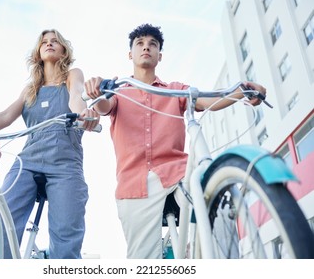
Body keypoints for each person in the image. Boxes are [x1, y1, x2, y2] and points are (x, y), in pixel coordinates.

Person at [84, 23, 266, 259]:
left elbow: (208, 100)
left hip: (177, 172)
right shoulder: (117, 91)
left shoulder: (175, 89)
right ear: (130, 54)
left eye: (153, 44)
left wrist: (242, 91)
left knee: (215, 200)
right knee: (143, 260)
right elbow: (103, 106)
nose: (146, 47)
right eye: (140, 43)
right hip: (134, 183)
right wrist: (97, 93)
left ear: (160, 55)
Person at [0, 29, 100, 259]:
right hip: (28, 161)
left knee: (67, 236)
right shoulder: (31, 89)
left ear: (64, 50)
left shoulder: (72, 75)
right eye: (44, 42)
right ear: (38, 52)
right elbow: (5, 116)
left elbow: (76, 97)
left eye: (55, 41)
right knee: (2, 224)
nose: (49, 44)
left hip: (65, 164)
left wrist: (83, 114)